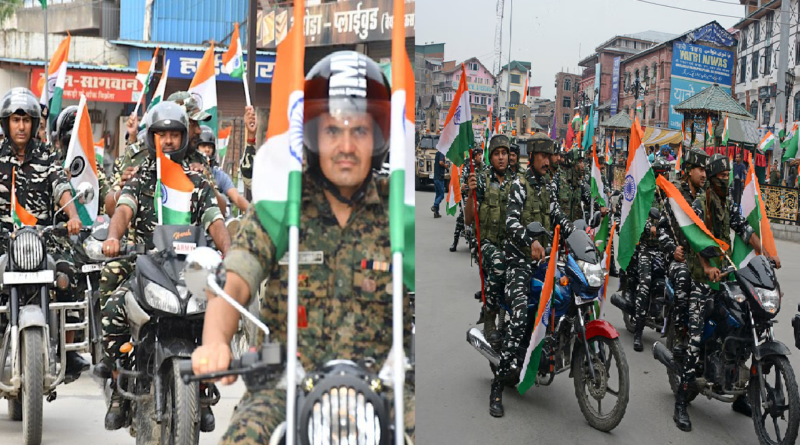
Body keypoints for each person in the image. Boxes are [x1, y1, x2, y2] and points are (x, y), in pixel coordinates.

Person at [189, 51, 414, 444]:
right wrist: (214, 343)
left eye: (359, 130)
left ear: (379, 135)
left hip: (386, 387)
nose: (346, 145)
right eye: (332, 130)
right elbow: (235, 281)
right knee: (243, 437)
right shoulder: (282, 206)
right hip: (286, 384)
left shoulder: (400, 212)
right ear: (310, 133)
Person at [96, 101, 231, 431]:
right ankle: (118, 384)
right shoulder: (141, 179)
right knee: (114, 308)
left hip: (190, 271)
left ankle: (201, 385)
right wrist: (114, 238)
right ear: (151, 138)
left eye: (174, 135)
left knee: (218, 310)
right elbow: (123, 211)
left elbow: (215, 221)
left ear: (184, 138)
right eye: (162, 135)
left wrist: (230, 251)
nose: (168, 141)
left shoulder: (196, 182)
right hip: (145, 265)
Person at [0, 88, 87, 377]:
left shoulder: (47, 155)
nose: (21, 126)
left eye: (26, 120)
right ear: (6, 123)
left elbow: (62, 187)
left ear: (35, 124)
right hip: (3, 240)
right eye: (15, 120)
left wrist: (73, 216)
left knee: (68, 271)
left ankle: (70, 351)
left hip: (42, 239)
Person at [491, 132, 576, 417]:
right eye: (543, 157)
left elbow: (557, 216)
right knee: (517, 321)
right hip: (519, 263)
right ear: (534, 157)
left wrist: (578, 234)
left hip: (545, 262)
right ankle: (497, 385)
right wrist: (531, 241)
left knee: (568, 298)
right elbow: (512, 221)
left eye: (550, 157)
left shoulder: (548, 187)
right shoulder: (519, 185)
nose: (548, 162)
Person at [464, 134, 516, 366]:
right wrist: (470, 194)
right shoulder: (482, 180)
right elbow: (468, 219)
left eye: (504, 153)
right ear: (491, 157)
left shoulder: (517, 181)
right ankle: (489, 316)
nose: (502, 157)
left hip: (513, 244)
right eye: (497, 154)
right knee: (498, 263)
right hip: (488, 244)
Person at [630, 159, 668, 352]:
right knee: (645, 284)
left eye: (665, 173)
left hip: (664, 249)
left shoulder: (669, 196)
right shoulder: (646, 194)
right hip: (646, 248)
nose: (663, 176)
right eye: (660, 173)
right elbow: (638, 216)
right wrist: (650, 227)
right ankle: (638, 333)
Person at [196, 125, 250, 215]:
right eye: (203, 146)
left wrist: (255, 214)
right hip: (193, 223)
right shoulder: (188, 171)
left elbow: (236, 197)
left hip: (216, 220)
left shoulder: (218, 174)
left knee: (224, 199)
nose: (207, 150)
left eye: (210, 147)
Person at [451, 147, 484, 252]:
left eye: (481, 154)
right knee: (462, 217)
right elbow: (462, 182)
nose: (481, 157)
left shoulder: (485, 168)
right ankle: (455, 242)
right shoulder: (468, 167)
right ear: (474, 156)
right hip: (467, 197)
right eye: (479, 155)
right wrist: (464, 186)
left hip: (479, 197)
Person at [557, 149, 591, 222]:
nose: (583, 165)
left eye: (583, 162)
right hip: (561, 230)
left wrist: (600, 206)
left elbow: (591, 199)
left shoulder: (580, 183)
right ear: (572, 163)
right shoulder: (558, 180)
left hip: (576, 230)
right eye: (580, 162)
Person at [432, 148, 446, 217]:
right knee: (441, 195)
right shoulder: (442, 153)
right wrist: (445, 166)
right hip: (440, 177)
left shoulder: (437, 153)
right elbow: (441, 162)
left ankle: (436, 212)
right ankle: (435, 205)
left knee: (437, 195)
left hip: (435, 177)